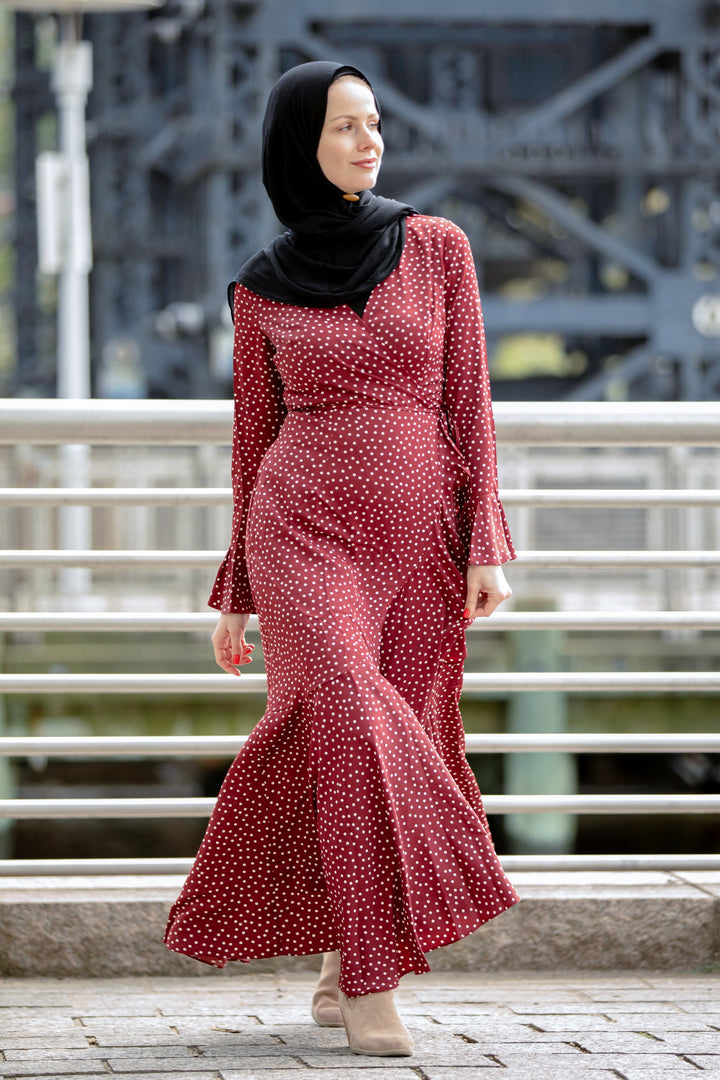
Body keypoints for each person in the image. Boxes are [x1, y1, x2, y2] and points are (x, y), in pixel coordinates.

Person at [164, 59, 520, 1058]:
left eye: (373, 124)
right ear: (297, 148)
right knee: (355, 717)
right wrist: (233, 588)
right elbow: (250, 441)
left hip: (419, 545)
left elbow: (470, 407)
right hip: (301, 533)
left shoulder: (438, 250)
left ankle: (337, 964)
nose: (368, 142)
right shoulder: (261, 288)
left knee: (373, 740)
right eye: (342, 128)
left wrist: (486, 542)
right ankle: (374, 986)